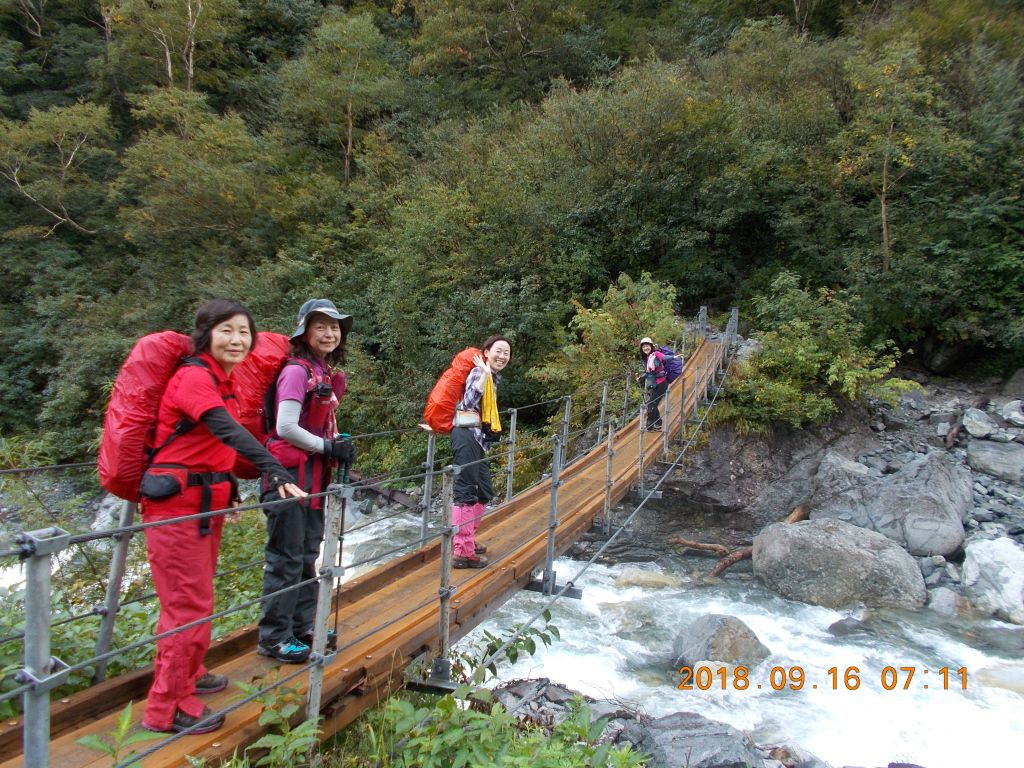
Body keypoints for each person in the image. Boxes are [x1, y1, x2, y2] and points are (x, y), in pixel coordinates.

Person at [140, 299, 306, 735]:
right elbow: (226, 430)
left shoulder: (222, 380)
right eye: (226, 331)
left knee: (192, 599)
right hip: (176, 509)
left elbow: (207, 446)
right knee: (188, 606)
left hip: (201, 504)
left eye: (244, 333)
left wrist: (229, 487)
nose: (237, 340)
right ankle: (165, 707)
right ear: (205, 334)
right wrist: (273, 469)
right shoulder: (195, 377)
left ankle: (189, 674)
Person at [257, 299, 354, 663]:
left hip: (311, 477)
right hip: (287, 478)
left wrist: (334, 444)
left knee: (307, 553)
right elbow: (284, 427)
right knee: (286, 557)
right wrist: (328, 446)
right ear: (304, 331)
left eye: (335, 327)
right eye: (321, 326)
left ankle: (302, 626)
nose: (330, 333)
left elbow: (317, 423)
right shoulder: (297, 372)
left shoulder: (323, 372)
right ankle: (274, 637)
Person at [450, 335, 512, 568]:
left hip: (477, 439)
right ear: (486, 352)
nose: (502, 356)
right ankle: (462, 550)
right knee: (465, 492)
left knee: (484, 491)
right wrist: (484, 373)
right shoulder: (480, 372)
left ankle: (468, 539)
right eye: (498, 351)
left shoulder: (493, 377)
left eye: (506, 353)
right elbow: (468, 402)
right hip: (466, 436)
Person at [639, 337, 666, 431]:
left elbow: (664, 357)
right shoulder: (647, 357)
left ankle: (651, 425)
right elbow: (649, 372)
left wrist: (674, 357)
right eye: (643, 347)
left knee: (651, 404)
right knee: (652, 403)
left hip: (661, 383)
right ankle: (657, 424)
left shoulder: (656, 354)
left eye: (647, 346)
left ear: (651, 346)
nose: (645, 348)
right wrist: (642, 377)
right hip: (655, 384)